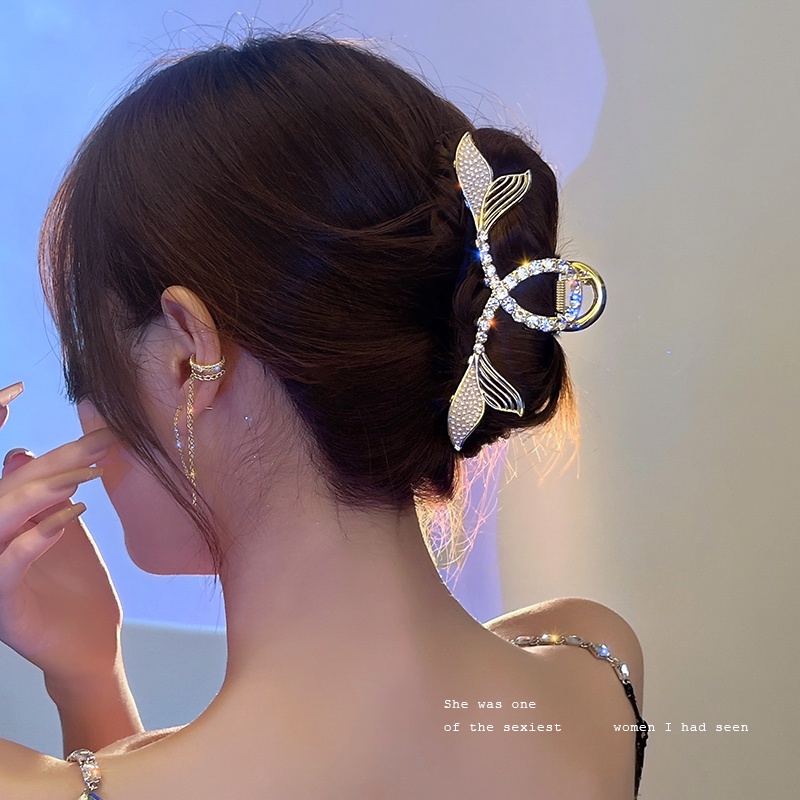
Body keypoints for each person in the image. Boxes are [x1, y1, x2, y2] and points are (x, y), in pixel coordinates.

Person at [0, 32, 646, 799]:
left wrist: (86, 684)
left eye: (86, 369)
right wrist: (88, 674)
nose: (86, 417)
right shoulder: (596, 667)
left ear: (187, 360)